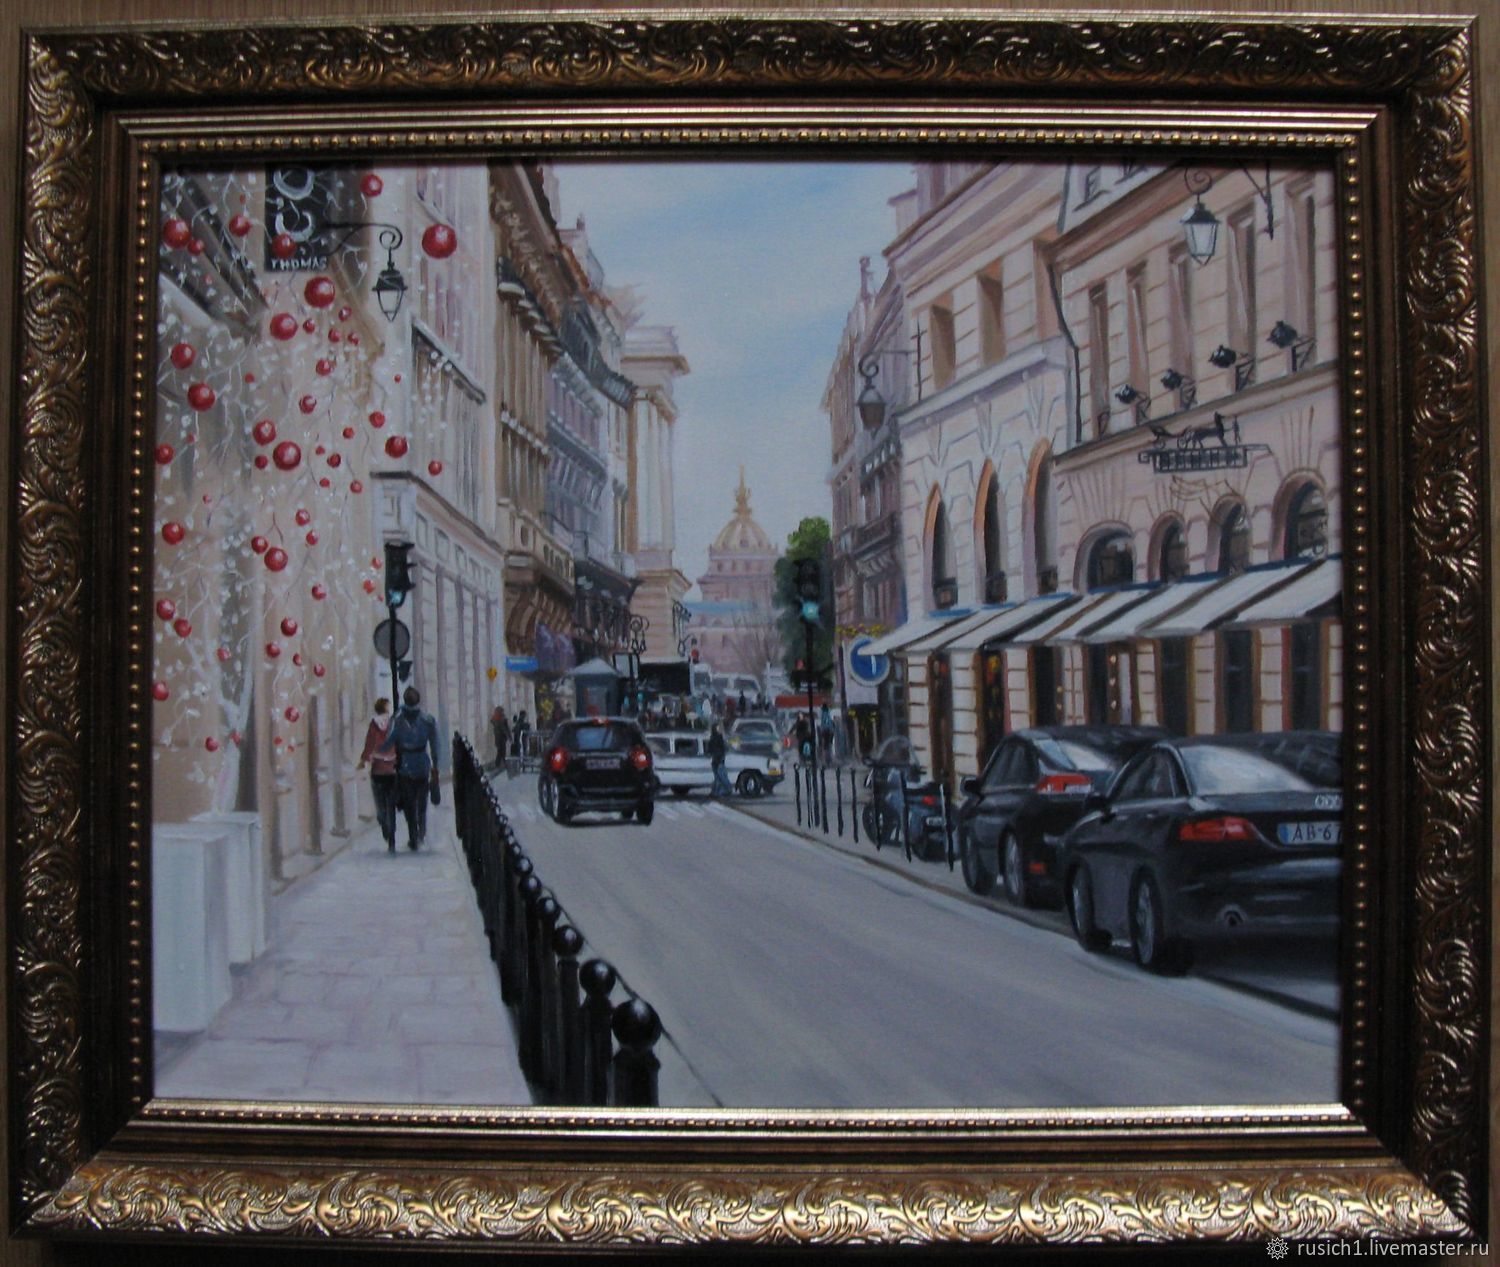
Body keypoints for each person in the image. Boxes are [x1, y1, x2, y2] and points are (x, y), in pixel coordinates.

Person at [379, 686, 440, 851]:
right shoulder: (428, 720)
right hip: (422, 765)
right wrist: (435, 766)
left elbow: (389, 742)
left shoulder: (398, 721)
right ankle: (421, 832)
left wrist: (379, 750)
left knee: (409, 804)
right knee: (422, 802)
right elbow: (435, 746)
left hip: (406, 767)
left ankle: (414, 836)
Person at [357, 697, 398, 852]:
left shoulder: (374, 725)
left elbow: (369, 744)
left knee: (380, 805)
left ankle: (384, 826)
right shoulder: (394, 723)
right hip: (392, 769)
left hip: (378, 770)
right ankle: (392, 836)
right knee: (391, 805)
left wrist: (363, 760)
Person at [707, 723, 732, 797]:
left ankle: (723, 791)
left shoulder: (716, 738)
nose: (719, 729)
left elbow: (720, 749)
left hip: (718, 760)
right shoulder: (716, 738)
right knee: (719, 778)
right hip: (717, 760)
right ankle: (718, 792)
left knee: (720, 777)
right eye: (718, 728)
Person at [490, 705, 510, 774]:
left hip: (500, 738)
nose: (502, 712)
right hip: (500, 738)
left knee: (501, 751)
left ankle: (500, 763)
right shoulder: (499, 719)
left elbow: (505, 728)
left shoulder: (497, 719)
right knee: (501, 751)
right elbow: (504, 728)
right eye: (501, 711)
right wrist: (508, 736)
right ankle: (500, 763)